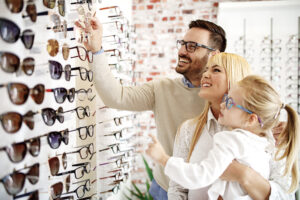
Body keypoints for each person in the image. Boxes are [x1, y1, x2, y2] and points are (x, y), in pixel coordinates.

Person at [75, 18, 288, 199]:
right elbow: (117, 97)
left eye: (192, 46)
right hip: (166, 187)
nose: (181, 51)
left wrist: (245, 175)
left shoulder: (251, 110)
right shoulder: (163, 91)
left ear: (215, 54)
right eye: (182, 43)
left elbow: (283, 189)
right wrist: (97, 49)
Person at [147, 73, 300, 199]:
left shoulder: (230, 139)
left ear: (251, 119)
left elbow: (200, 176)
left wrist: (163, 159)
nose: (222, 104)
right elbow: (178, 190)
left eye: (229, 101)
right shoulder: (261, 143)